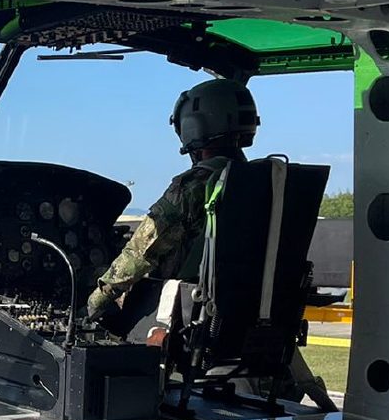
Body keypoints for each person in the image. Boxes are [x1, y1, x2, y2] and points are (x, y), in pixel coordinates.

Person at [84, 78, 259, 330]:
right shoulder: (264, 183)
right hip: (242, 316)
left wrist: (95, 301)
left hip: (190, 318)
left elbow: (140, 253)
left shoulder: (193, 186)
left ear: (192, 127)